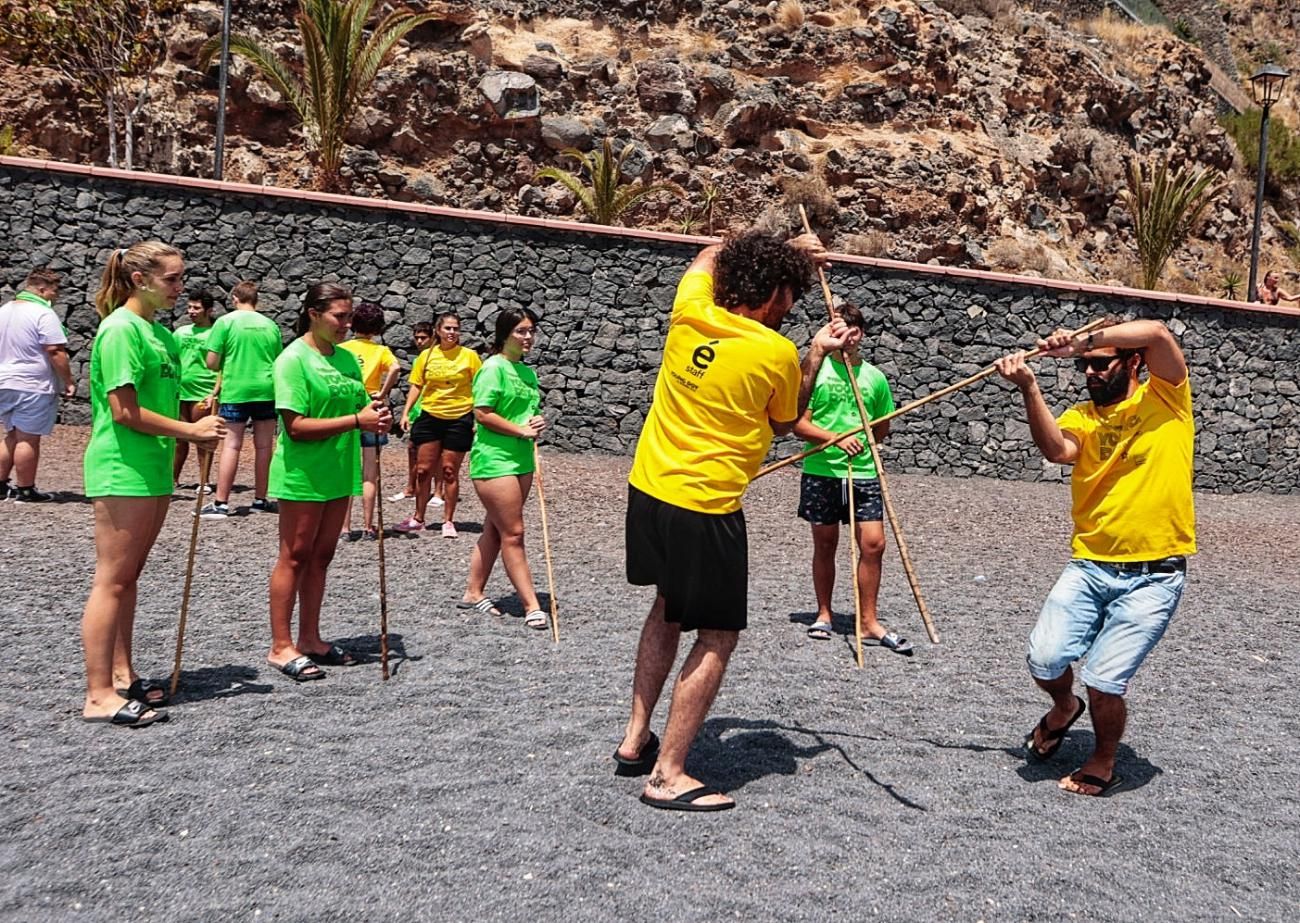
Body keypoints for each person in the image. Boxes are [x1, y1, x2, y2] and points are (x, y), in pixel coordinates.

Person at [614, 230, 849, 812]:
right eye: (789, 293)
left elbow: (705, 255)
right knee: (717, 633)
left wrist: (788, 246)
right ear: (769, 291)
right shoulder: (773, 352)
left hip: (649, 490)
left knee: (668, 607)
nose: (791, 306)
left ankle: (635, 740)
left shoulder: (690, 311)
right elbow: (788, 419)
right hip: (706, 505)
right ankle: (668, 774)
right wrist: (814, 353)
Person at [994, 318, 1194, 797]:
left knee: (1104, 679)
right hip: (1090, 564)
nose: (1089, 372)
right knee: (1043, 659)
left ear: (1133, 363)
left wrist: (1079, 342)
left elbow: (1160, 333)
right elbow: (1056, 449)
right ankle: (1064, 708)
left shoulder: (1166, 398)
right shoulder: (1083, 416)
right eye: (1084, 366)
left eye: (1100, 364)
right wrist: (1029, 388)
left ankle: (1103, 760)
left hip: (1155, 573)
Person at [80, 242, 226, 726]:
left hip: (154, 467)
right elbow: (123, 411)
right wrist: (189, 432)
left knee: (128, 579)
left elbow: (163, 401)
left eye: (182, 278)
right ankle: (98, 693)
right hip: (123, 466)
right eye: (172, 280)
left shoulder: (159, 334)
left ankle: (122, 674)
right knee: (112, 579)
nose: (180, 288)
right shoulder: (120, 329)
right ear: (140, 280)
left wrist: (198, 417)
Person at [266, 283, 391, 681]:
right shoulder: (292, 360)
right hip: (302, 472)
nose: (346, 324)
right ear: (313, 313)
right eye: (339, 316)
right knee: (295, 555)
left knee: (322, 556)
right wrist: (358, 420)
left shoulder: (346, 359)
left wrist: (375, 411)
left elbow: (359, 403)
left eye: (349, 316)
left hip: (338, 470)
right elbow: (296, 426)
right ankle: (280, 645)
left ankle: (311, 638)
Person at [791, 303, 909, 653]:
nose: (848, 337)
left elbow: (882, 429)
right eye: (841, 330)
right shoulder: (818, 371)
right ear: (833, 332)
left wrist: (865, 435)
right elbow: (797, 424)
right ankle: (824, 614)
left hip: (864, 471)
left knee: (874, 544)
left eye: (854, 330)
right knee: (825, 545)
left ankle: (868, 622)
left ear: (862, 333)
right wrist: (835, 438)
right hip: (822, 469)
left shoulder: (875, 378)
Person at [458, 307, 546, 627]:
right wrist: (521, 429)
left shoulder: (527, 372)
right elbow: (482, 413)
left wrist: (535, 422)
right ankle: (531, 604)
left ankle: (473, 591)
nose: (528, 337)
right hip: (494, 460)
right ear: (505, 334)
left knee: (495, 528)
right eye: (521, 331)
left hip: (521, 459)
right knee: (514, 532)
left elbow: (527, 412)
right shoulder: (493, 368)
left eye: (530, 331)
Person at [201, 280, 282, 518]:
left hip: (236, 388)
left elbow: (211, 363)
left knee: (232, 444)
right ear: (256, 300)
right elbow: (278, 359)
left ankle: (221, 502)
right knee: (264, 446)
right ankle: (260, 499)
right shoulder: (270, 325)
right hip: (267, 389)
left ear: (235, 299)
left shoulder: (225, 322)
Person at [397, 312, 482, 537]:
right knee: (423, 471)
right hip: (430, 415)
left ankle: (448, 521)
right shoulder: (425, 356)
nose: (452, 332)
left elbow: (480, 386)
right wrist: (406, 412)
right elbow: (416, 385)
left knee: (449, 471)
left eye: (456, 328)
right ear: (438, 330)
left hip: (459, 417)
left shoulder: (470, 356)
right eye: (448, 328)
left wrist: (479, 417)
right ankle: (418, 517)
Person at [0, 267, 74, 501]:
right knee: (28, 438)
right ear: (42, 289)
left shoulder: (4, 310)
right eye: (54, 291)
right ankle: (26, 489)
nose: (56, 296)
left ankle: (0, 486)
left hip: (5, 380)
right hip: (32, 383)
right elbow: (54, 349)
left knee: (11, 435)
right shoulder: (43, 313)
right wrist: (68, 380)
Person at [338, 301, 399, 539]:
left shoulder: (344, 349)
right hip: (373, 408)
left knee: (346, 471)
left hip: (350, 410)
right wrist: (382, 393)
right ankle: (367, 525)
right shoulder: (381, 351)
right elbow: (395, 368)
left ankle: (344, 528)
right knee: (369, 473)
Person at [173, 288, 220, 486]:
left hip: (203, 392)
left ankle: (204, 481)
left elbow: (222, 367)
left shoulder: (215, 334)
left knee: (202, 437)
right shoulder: (180, 332)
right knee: (178, 438)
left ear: (208, 311)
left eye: (197, 308)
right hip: (180, 392)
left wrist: (215, 392)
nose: (191, 311)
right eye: (190, 307)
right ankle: (172, 478)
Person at [391, 322, 433, 502]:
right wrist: (408, 411)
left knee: (436, 454)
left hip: (433, 408)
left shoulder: (437, 357)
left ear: (432, 338)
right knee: (412, 449)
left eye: (423, 338)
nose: (419, 341)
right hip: (418, 409)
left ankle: (438, 492)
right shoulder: (418, 360)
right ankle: (411, 487)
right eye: (417, 338)